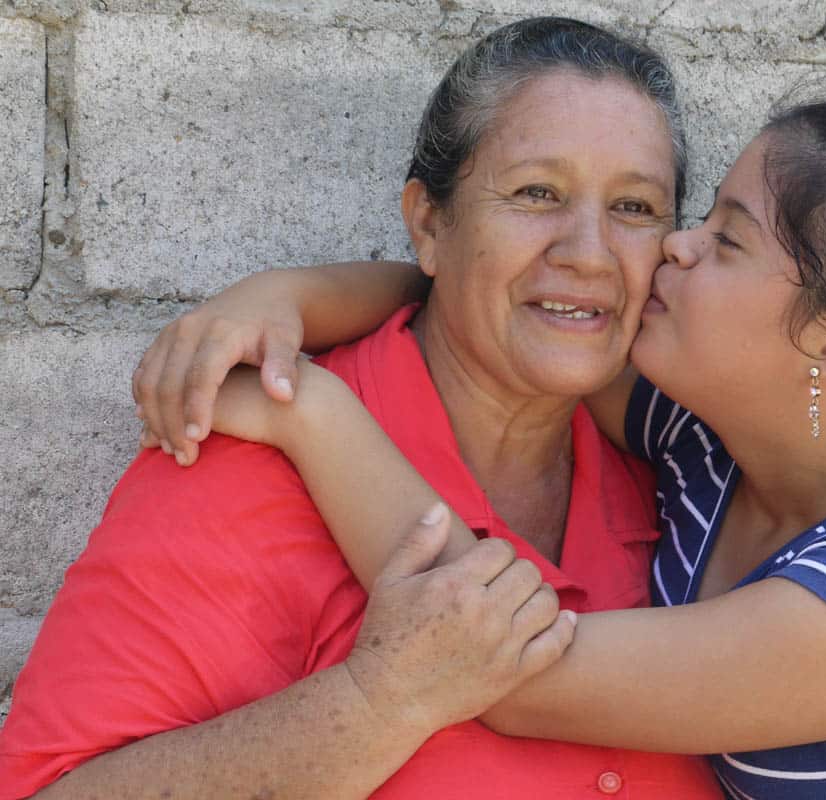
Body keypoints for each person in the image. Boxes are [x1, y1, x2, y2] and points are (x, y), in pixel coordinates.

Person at [130, 98, 826, 799]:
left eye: (728, 241)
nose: (673, 247)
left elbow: (507, 670)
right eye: (697, 215)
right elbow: (485, 300)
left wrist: (313, 415)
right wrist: (281, 300)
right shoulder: (713, 446)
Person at [0, 17, 724, 800]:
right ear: (428, 223)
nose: (588, 250)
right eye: (536, 193)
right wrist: (381, 701)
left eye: (635, 208)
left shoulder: (685, 478)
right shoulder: (246, 462)